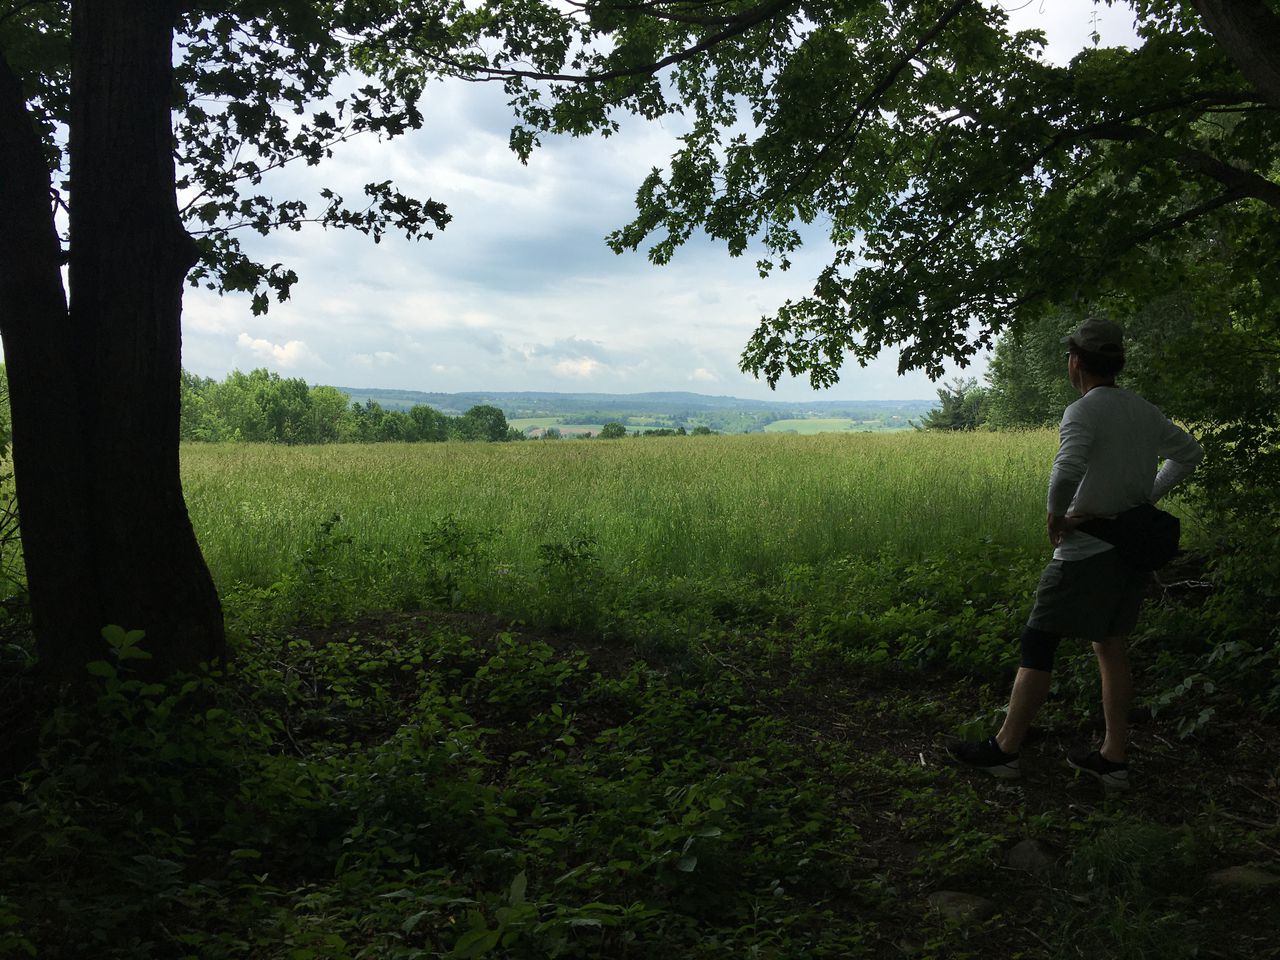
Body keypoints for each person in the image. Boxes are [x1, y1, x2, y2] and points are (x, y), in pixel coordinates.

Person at [949, 317, 1203, 790]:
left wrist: (1055, 516)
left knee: (1038, 641)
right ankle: (1114, 758)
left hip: (1086, 549)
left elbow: (1066, 469)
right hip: (1129, 548)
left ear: (1076, 362)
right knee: (1110, 645)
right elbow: (1190, 453)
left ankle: (1004, 751)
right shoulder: (1142, 410)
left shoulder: (1083, 411)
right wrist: (1146, 495)